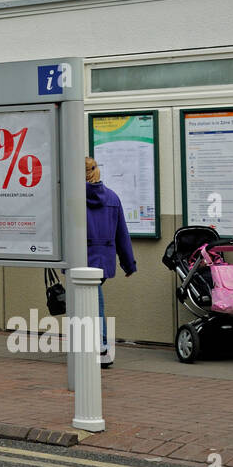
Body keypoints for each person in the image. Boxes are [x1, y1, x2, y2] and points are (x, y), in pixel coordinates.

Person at [86, 157, 136, 367]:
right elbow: (122, 234)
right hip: (103, 260)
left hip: (81, 259)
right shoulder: (113, 198)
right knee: (91, 303)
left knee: (93, 305)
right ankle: (93, 347)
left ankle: (102, 347)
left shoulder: (72, 198)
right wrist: (128, 263)